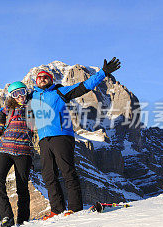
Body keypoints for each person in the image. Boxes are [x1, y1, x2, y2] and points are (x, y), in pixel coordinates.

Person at [30, 58, 122, 218]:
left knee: (67, 171)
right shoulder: (32, 97)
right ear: (36, 82)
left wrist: (103, 73)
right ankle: (56, 209)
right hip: (44, 140)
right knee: (48, 175)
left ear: (50, 80)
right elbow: (13, 99)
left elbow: (83, 87)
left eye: (46, 77)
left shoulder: (59, 92)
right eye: (39, 78)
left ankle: (75, 207)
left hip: (61, 136)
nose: (42, 79)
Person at [0, 81, 35, 227]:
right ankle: (6, 217)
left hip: (23, 152)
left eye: (22, 92)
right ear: (11, 96)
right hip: (4, 150)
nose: (20, 96)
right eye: (16, 94)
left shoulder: (33, 107)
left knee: (22, 187)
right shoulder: (6, 111)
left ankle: (23, 220)